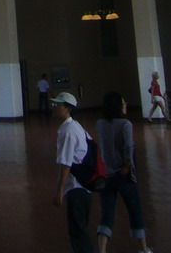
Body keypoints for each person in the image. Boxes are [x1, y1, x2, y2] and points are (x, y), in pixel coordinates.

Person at [97, 92, 153, 253]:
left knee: (107, 211)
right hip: (123, 174)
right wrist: (127, 165)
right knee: (134, 209)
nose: (125, 105)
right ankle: (143, 248)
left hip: (106, 174)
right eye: (123, 103)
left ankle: (102, 249)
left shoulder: (100, 124)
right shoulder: (125, 124)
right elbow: (129, 146)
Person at [50, 91, 96, 253]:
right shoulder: (76, 126)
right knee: (80, 228)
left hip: (77, 187)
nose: (54, 107)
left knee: (78, 231)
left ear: (68, 108)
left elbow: (66, 163)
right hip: (86, 186)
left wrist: (60, 190)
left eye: (58, 105)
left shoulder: (68, 131)